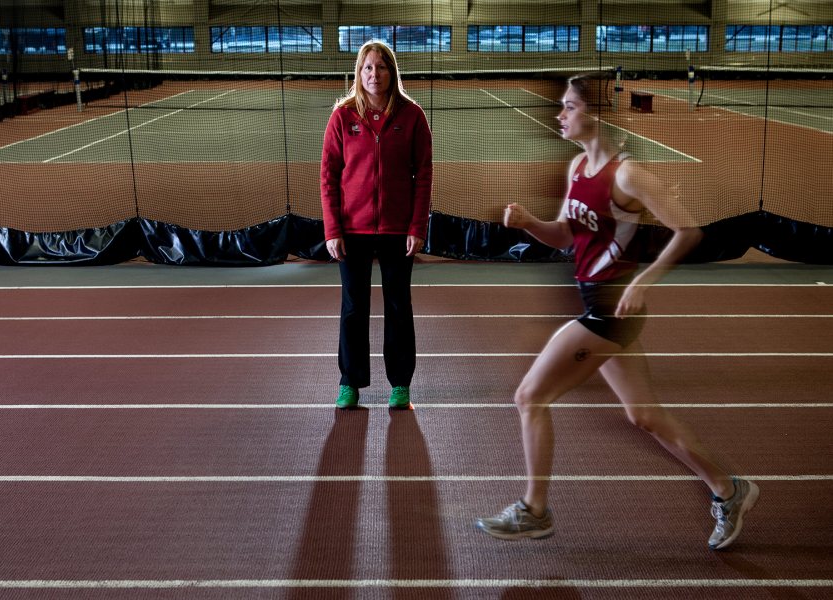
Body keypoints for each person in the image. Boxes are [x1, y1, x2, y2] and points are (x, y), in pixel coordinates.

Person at [475, 73, 758, 550]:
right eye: (562, 106)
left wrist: (645, 280)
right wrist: (528, 224)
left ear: (595, 112)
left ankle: (534, 510)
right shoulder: (577, 169)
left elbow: (688, 231)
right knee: (645, 416)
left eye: (569, 106)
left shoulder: (627, 175)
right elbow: (567, 236)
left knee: (530, 397)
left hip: (609, 310)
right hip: (597, 303)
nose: (559, 114)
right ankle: (730, 491)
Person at [320, 40, 433, 410]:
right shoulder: (342, 116)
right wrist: (332, 229)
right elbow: (329, 176)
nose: (374, 74)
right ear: (359, 72)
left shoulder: (412, 115)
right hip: (352, 231)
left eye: (381, 67)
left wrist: (417, 226)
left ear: (392, 72)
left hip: (398, 231)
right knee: (354, 308)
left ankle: (400, 384)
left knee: (399, 306)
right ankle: (350, 383)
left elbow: (424, 174)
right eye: (368, 67)